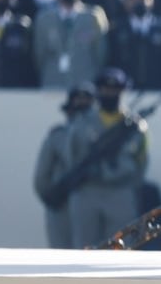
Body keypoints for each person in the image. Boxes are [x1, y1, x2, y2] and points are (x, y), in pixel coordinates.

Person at [65, 67, 149, 248]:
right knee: (83, 247)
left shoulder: (135, 126)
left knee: (121, 247)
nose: (110, 93)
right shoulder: (81, 122)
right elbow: (72, 156)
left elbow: (141, 161)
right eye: (105, 89)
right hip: (87, 190)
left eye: (115, 89)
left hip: (121, 191)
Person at [32, 82, 94, 248]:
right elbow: (42, 178)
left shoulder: (103, 138)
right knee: (61, 253)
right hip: (62, 203)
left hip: (93, 202)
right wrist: (53, 197)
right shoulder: (57, 136)